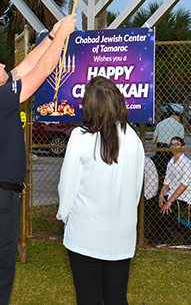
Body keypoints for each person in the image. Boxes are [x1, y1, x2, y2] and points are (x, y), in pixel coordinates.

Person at [0, 12, 77, 305]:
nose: (5, 64)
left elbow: (26, 65)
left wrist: (52, 35)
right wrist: (64, 36)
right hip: (0, 197)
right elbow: (40, 72)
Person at [56, 76, 145, 305]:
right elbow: (136, 191)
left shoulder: (80, 137)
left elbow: (67, 186)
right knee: (116, 298)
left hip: (84, 236)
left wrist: (64, 217)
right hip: (121, 237)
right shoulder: (134, 139)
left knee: (88, 298)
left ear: (89, 105)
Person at [156, 137, 191, 244]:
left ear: (182, 147)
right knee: (151, 207)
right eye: (172, 144)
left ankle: (189, 231)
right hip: (170, 194)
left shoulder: (187, 164)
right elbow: (167, 182)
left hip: (182, 196)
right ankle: (164, 236)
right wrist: (161, 195)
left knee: (164, 215)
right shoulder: (171, 162)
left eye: (177, 144)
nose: (174, 146)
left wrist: (169, 202)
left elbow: (184, 186)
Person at [151, 112, 184, 178]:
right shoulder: (179, 126)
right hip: (171, 148)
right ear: (178, 118)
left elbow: (153, 141)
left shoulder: (160, 124)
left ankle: (160, 180)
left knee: (159, 166)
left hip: (160, 147)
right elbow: (181, 141)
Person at [143, 155, 161, 244]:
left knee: (146, 207)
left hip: (148, 194)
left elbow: (152, 184)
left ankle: (147, 232)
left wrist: (144, 196)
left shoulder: (146, 161)